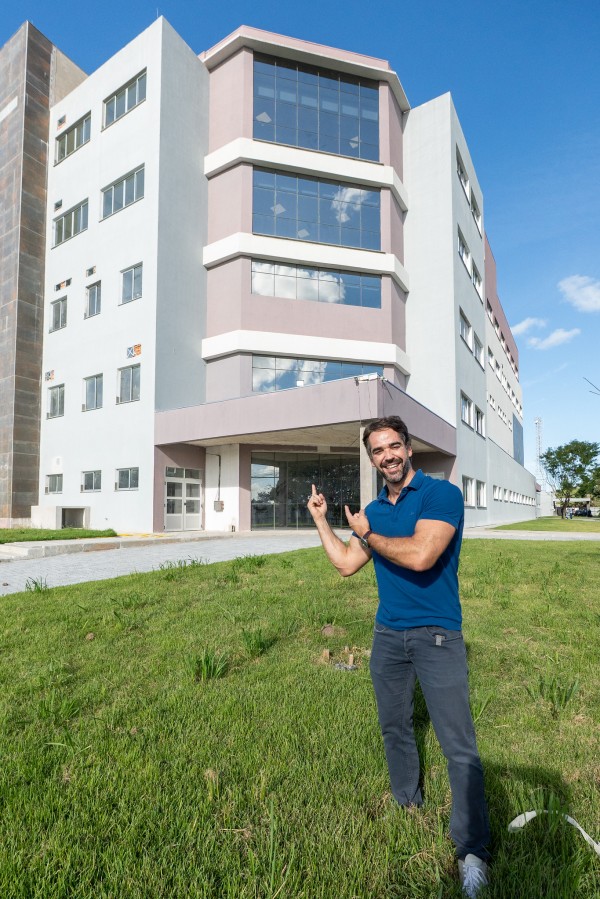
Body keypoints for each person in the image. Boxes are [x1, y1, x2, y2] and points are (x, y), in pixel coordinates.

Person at [307, 415, 490, 898]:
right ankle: (408, 806)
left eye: (393, 446)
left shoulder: (440, 495)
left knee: (457, 743)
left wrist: (367, 536)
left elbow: (421, 556)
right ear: (371, 458)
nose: (386, 455)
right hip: (389, 635)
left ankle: (472, 850)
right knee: (395, 727)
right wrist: (323, 522)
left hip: (437, 635)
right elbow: (347, 565)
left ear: (408, 448)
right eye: (376, 450)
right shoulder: (372, 509)